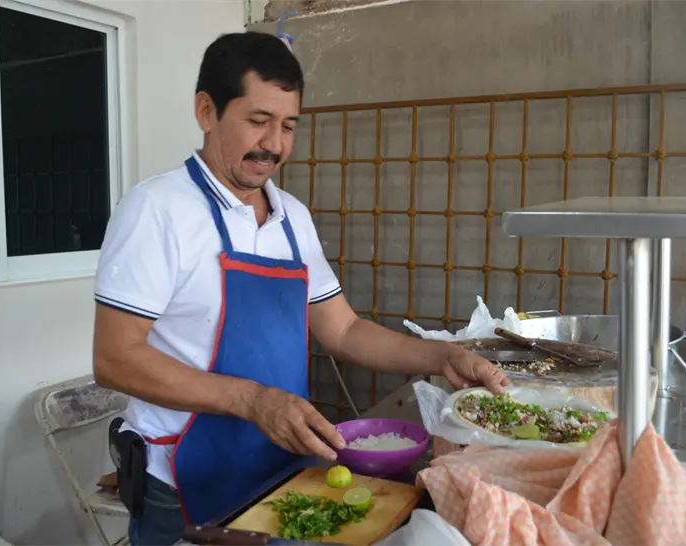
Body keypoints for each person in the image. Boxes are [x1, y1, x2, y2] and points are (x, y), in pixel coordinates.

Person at [92, 30, 509, 546]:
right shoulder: (157, 209)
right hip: (182, 481)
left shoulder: (293, 218)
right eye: (258, 121)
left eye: (288, 125)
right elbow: (115, 358)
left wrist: (442, 357)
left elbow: (345, 330)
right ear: (206, 111)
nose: (275, 144)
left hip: (283, 468)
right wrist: (254, 400)